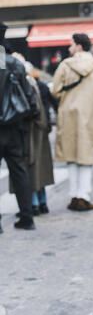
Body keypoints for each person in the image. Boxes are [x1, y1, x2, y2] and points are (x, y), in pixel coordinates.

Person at [52, 33, 93, 211]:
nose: (69, 48)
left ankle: (74, 196)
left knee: (71, 157)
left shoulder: (65, 65)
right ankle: (83, 196)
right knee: (87, 157)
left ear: (79, 46)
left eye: (71, 45)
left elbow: (56, 90)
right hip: (92, 115)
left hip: (68, 116)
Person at [0, 22, 36, 231]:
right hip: (14, 126)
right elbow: (28, 97)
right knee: (19, 172)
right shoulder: (15, 63)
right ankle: (27, 216)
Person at [9, 57, 54, 216]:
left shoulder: (25, 85)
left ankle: (33, 205)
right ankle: (40, 203)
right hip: (39, 131)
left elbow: (31, 108)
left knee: (29, 168)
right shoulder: (38, 85)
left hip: (28, 132)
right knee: (36, 169)